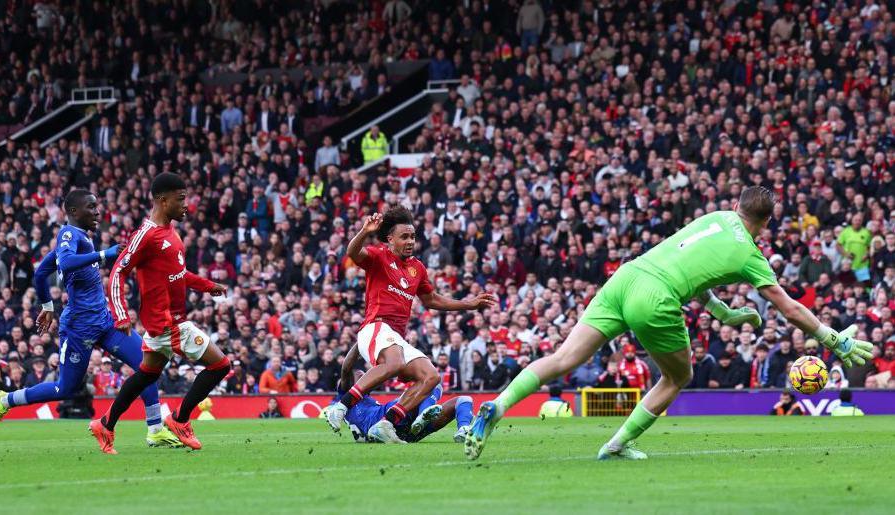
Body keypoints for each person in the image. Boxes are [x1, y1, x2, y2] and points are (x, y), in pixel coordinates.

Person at [465, 187, 873, 460]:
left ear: (736, 207)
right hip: (656, 297)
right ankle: (616, 444)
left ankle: (498, 405)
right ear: (765, 223)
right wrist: (831, 338)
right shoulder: (751, 254)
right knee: (677, 377)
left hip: (626, 277)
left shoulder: (715, 217)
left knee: (563, 357)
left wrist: (723, 313)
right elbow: (788, 307)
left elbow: (691, 267)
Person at [0, 189, 181, 448]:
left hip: (104, 321)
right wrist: (104, 254)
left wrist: (47, 306)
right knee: (64, 389)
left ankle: (155, 430)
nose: (97, 211)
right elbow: (64, 264)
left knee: (147, 365)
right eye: (91, 207)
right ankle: (5, 400)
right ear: (74, 212)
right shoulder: (68, 234)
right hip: (79, 327)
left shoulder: (80, 239)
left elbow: (41, 273)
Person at [326, 207, 495, 443]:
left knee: (431, 376)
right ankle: (341, 407)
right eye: (404, 237)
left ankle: (387, 423)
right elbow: (352, 252)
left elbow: (431, 299)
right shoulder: (379, 257)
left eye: (413, 237)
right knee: (394, 362)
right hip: (375, 326)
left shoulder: (417, 268)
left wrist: (469, 304)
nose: (410, 242)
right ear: (390, 239)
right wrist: (364, 231)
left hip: (396, 337)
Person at [88, 172, 229, 454]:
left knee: (146, 375)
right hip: (168, 323)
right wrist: (121, 313)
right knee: (220, 365)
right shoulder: (146, 235)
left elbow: (178, 272)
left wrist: (207, 285)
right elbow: (118, 271)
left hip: (165, 322)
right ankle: (179, 420)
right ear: (163, 201)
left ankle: (106, 423)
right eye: (181, 199)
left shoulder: (171, 232)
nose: (186, 205)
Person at [336, 369, 473, 444]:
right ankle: (423, 414)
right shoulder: (347, 399)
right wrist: (360, 343)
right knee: (433, 382)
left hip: (407, 433)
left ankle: (464, 430)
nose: (366, 379)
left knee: (464, 400)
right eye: (361, 377)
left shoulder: (368, 401)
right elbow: (346, 368)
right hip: (386, 423)